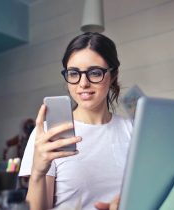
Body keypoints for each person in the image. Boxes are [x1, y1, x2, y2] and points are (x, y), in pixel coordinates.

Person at [19, 32, 132, 210]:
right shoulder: (49, 135)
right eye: (74, 73)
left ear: (113, 75)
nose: (83, 83)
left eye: (95, 73)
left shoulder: (132, 130)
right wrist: (37, 174)